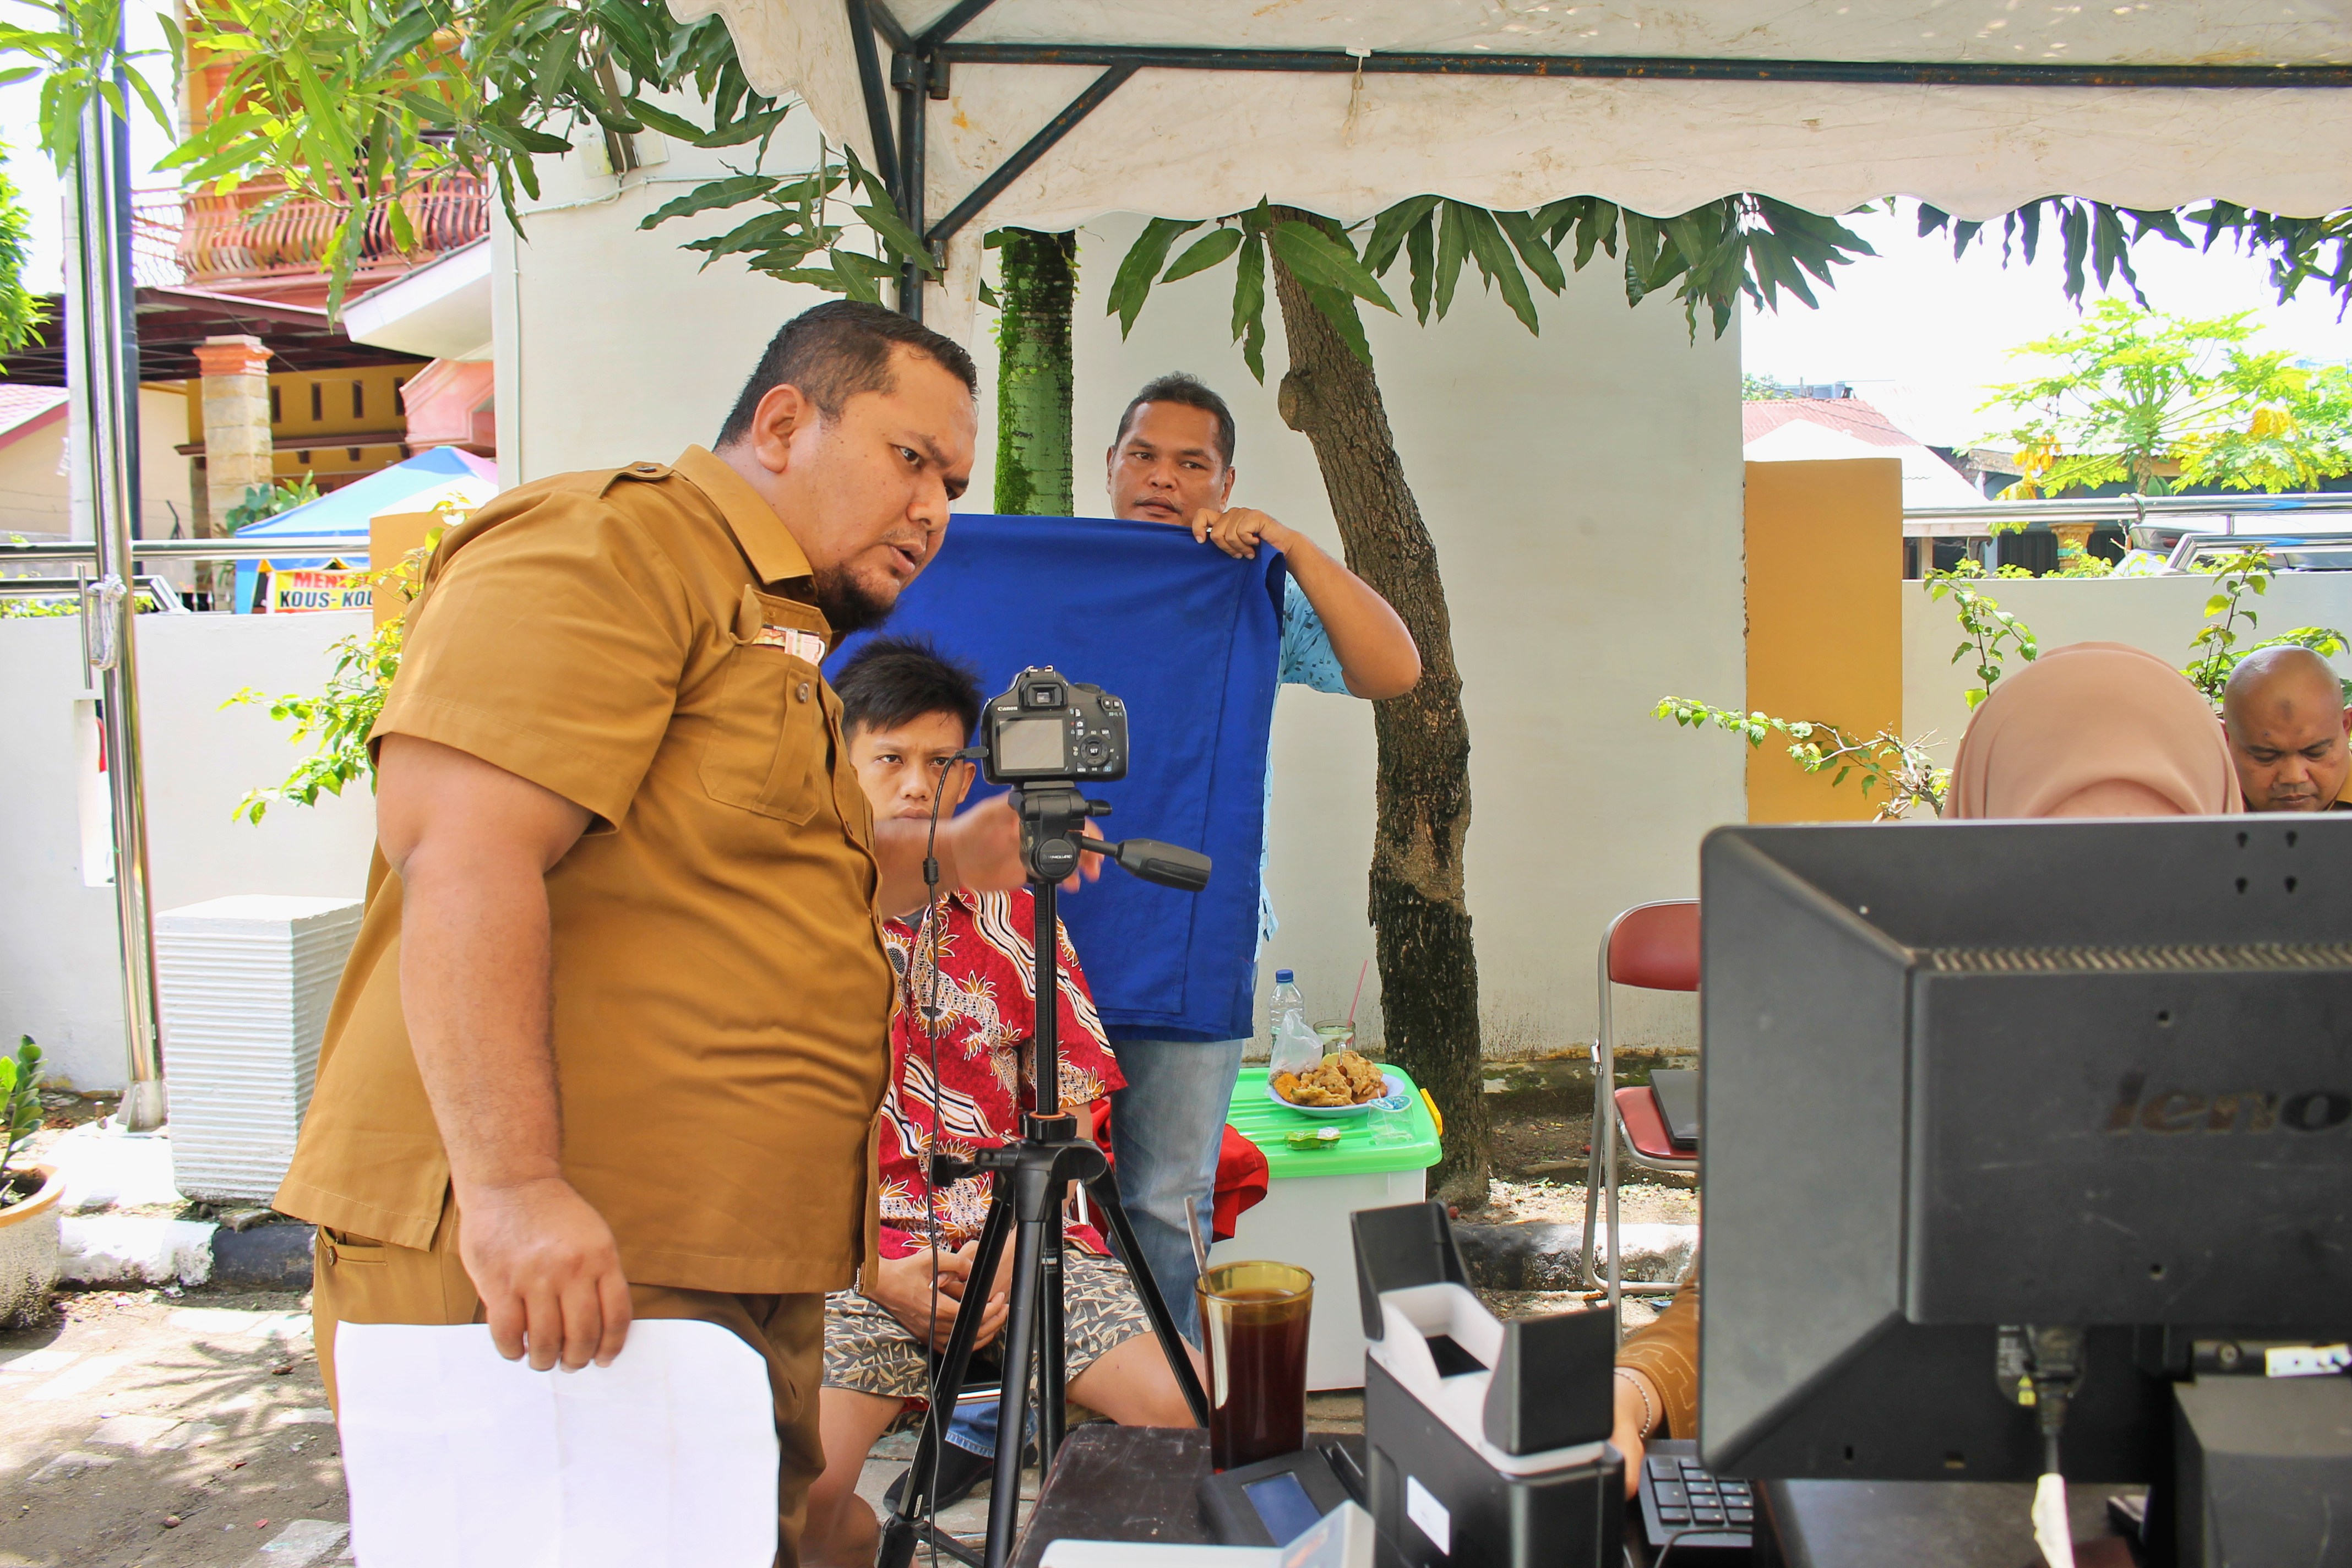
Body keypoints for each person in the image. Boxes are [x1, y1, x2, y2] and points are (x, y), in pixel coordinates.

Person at [271, 301, 1076, 1566]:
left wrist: (959, 857)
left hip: (723, 1267)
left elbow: (761, 889)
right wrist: (515, 1183)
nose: (934, 509)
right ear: (781, 422)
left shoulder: (777, 647)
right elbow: (464, 843)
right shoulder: (614, 542)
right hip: (568, 1265)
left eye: (955, 483)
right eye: (910, 456)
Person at [1607, 640, 2241, 1489]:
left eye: (2149, 854)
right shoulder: (1869, 1043)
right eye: (2058, 854)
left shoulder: (2294, 1057)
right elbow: (1744, 1308)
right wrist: (1632, 1392)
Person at [801, 637, 1195, 1566]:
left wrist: (1027, 1244)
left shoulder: (1012, 912)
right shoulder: (793, 916)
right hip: (859, 1259)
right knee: (802, 1493)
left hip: (1019, 1233)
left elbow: (1072, 1108)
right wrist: (870, 1264)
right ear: (838, 763)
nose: (913, 785)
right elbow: (765, 1138)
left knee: (1181, 1416)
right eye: (888, 758)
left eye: (940, 764)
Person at [1101, 373, 1422, 1338]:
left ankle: (1165, 1416)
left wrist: (1288, 544)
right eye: (1143, 456)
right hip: (1044, 924)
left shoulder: (1251, 593)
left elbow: (1393, 668)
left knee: (1165, 1192)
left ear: (1224, 478)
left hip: (1198, 925)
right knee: (1021, 1185)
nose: (1163, 478)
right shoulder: (1060, 577)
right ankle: (1021, 1404)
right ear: (1108, 467)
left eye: (1189, 462)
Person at [2222, 644, 2352, 812]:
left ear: (2346, 727)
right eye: (2265, 756)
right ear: (2226, 739)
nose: (2294, 777)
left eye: (2316, 752)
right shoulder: (2199, 809)